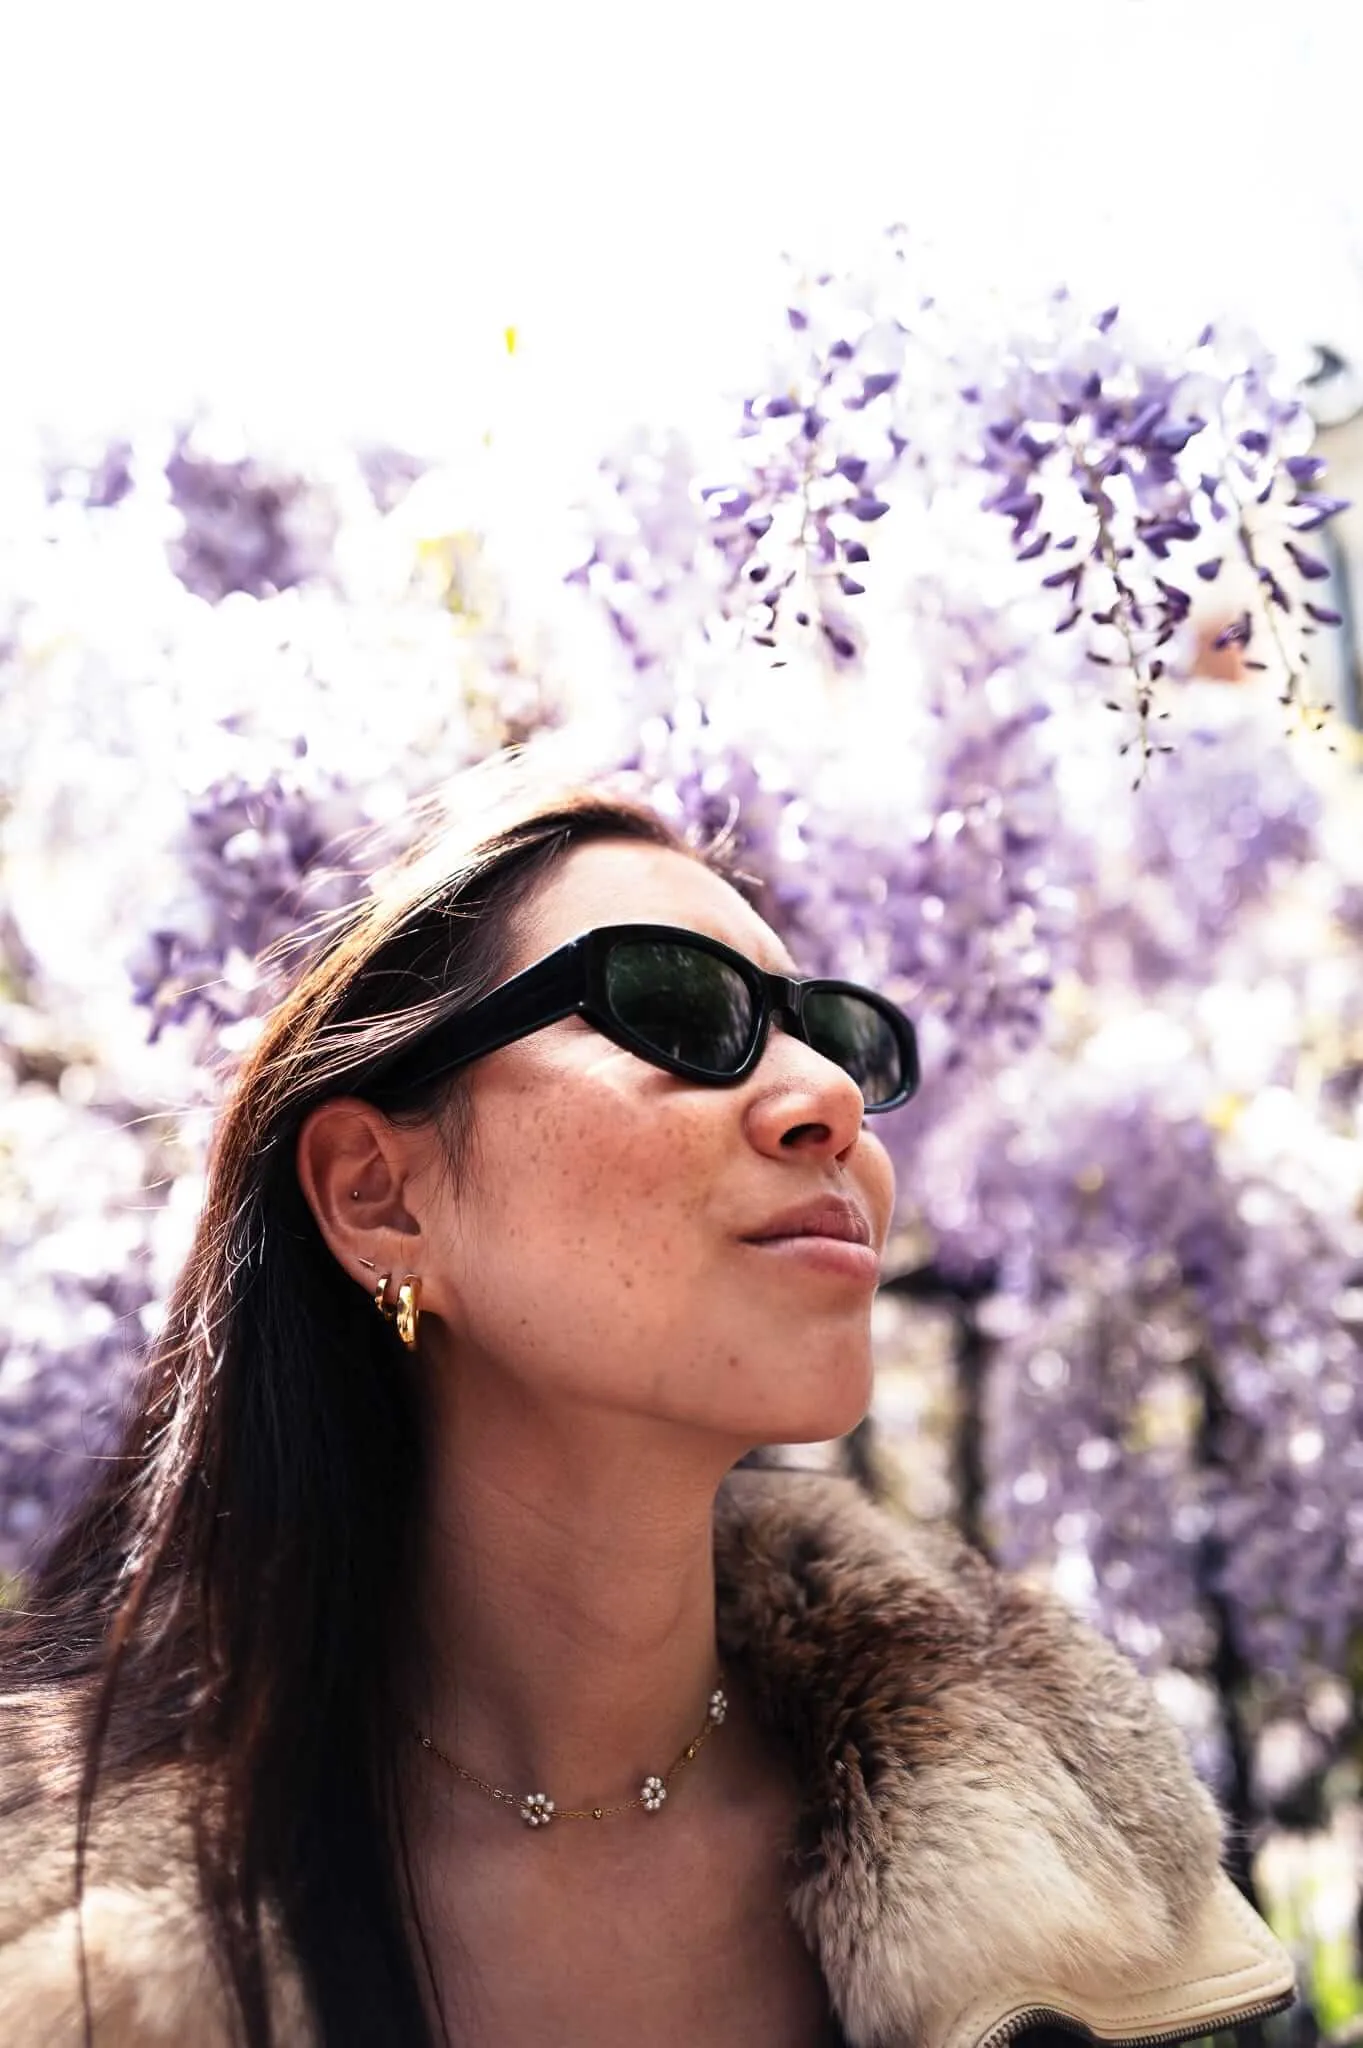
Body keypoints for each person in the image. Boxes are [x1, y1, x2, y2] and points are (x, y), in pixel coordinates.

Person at [0, 764, 1295, 2047]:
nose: (832, 1099)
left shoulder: (1084, 1862)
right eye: (675, 1013)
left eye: (837, 1037)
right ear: (381, 1200)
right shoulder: (63, 1932)